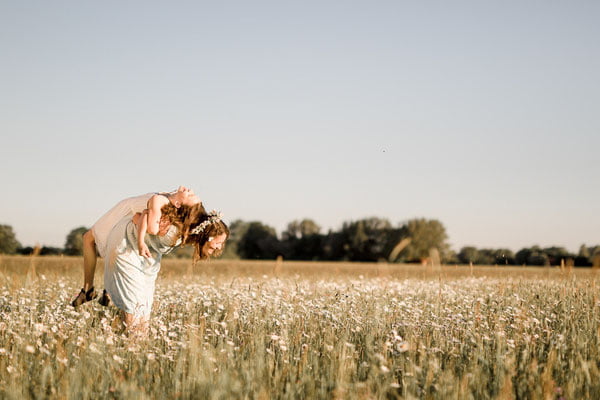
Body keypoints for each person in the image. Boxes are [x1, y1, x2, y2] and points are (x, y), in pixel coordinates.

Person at [103, 205, 229, 334]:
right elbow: (139, 216)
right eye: (218, 242)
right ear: (206, 235)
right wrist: (141, 241)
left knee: (144, 303)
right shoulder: (176, 226)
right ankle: (132, 342)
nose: (219, 247)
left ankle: (140, 343)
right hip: (127, 244)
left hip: (148, 256)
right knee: (133, 301)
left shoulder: (189, 234)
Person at [71, 187, 200, 307]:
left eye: (190, 195)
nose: (190, 190)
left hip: (124, 212)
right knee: (111, 248)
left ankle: (88, 290)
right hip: (126, 208)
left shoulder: (163, 203)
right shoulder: (169, 200)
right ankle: (106, 291)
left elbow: (147, 221)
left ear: (178, 204)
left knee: (88, 238)